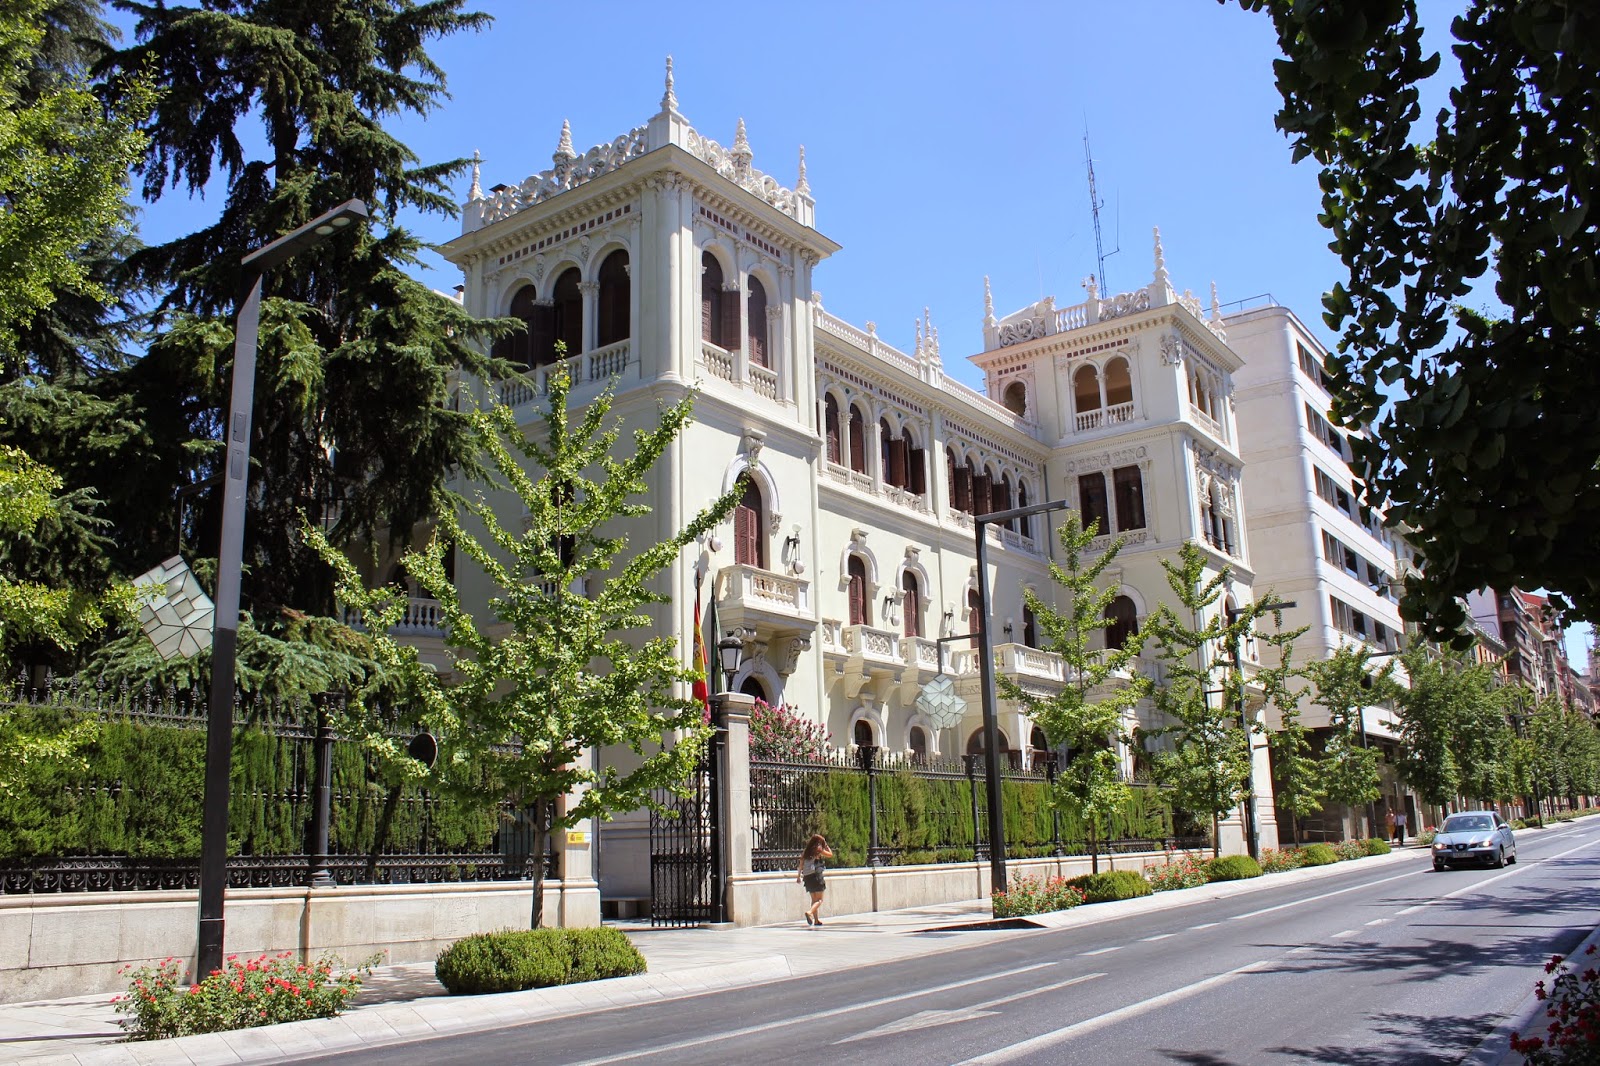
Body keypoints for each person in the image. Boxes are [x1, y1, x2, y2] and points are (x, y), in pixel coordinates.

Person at [797, 834, 833, 926]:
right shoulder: (818, 850)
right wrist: (826, 845)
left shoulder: (806, 852)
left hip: (807, 877)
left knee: (814, 899)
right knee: (820, 900)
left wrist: (798, 876)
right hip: (816, 876)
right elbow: (830, 854)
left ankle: (816, 920)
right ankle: (809, 912)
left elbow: (801, 864)